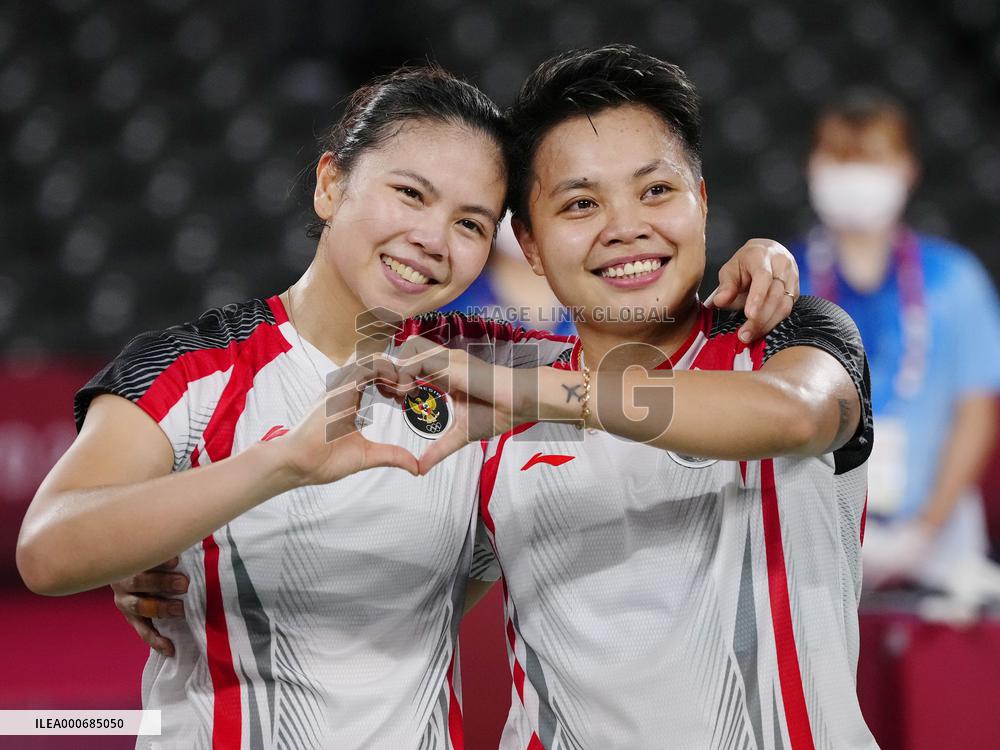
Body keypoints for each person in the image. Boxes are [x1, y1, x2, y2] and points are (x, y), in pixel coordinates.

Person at [17, 63, 798, 748]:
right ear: (331, 184)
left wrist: (762, 257)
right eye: (409, 195)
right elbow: (49, 550)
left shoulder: (482, 365)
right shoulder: (195, 368)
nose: (432, 238)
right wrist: (275, 468)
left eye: (468, 223)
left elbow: (651, 342)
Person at [390, 45, 878, 749]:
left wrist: (534, 394)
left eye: (656, 191)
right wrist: (182, 578)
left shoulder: (790, 334)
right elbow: (402, 604)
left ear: (702, 202)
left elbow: (798, 414)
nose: (626, 227)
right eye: (581, 204)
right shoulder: (493, 421)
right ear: (527, 243)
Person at [794, 89, 1000, 600]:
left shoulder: (955, 279)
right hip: (811, 538)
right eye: (840, 158)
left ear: (907, 169)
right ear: (813, 167)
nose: (855, 175)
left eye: (872, 159)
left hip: (934, 538)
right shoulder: (786, 277)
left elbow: (976, 410)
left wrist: (924, 530)